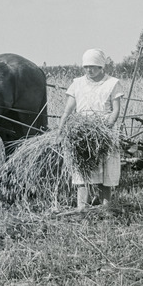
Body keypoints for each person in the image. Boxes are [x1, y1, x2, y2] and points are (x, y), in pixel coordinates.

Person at [59, 49, 123, 210]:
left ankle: (105, 207)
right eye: (86, 67)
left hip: (104, 130)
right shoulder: (77, 83)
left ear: (101, 67)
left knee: (105, 169)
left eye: (93, 67)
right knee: (82, 168)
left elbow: (115, 110)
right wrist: (61, 126)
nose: (89, 70)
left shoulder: (112, 83)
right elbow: (68, 109)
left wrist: (106, 128)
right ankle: (82, 207)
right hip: (82, 132)